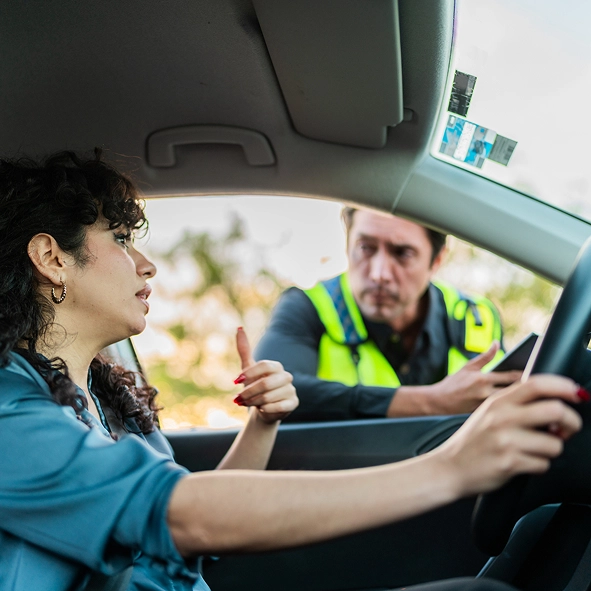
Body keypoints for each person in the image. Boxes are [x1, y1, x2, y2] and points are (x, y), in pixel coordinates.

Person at [0, 150, 584, 591]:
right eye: (123, 240)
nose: (147, 265)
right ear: (52, 258)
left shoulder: (99, 398)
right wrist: (454, 466)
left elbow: (193, 511)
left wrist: (263, 425)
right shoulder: (9, 417)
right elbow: (185, 517)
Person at [255, 207, 522, 422]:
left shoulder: (476, 316)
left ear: (437, 260)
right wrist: (431, 402)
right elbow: (268, 391)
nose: (379, 273)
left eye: (402, 253)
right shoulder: (307, 307)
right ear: (347, 245)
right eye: (366, 248)